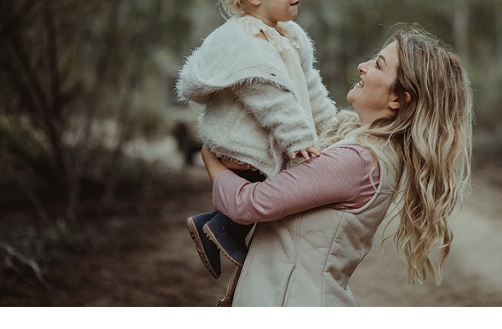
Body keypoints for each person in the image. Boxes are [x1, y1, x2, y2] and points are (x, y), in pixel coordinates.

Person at [201, 26, 473, 306]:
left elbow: (250, 203)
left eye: (378, 65)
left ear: (398, 100)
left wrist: (210, 158)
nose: (363, 66)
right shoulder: (360, 146)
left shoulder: (359, 160)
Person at [176, 0, 336, 280]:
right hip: (237, 141)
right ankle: (225, 229)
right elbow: (269, 98)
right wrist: (300, 138)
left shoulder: (290, 35)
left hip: (266, 135)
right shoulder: (243, 40)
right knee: (270, 187)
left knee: (274, 186)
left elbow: (310, 89)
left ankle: (217, 225)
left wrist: (332, 128)